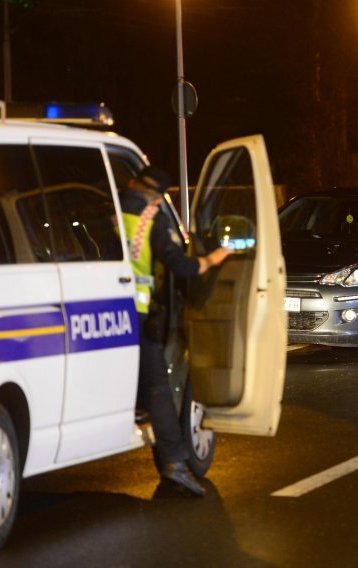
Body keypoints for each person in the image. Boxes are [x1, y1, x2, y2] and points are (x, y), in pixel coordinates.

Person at [120, 165, 231, 497]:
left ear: (131, 183)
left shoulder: (108, 206)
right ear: (157, 197)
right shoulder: (152, 217)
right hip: (134, 315)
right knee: (158, 390)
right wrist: (213, 259)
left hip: (99, 309)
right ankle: (175, 465)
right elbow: (180, 265)